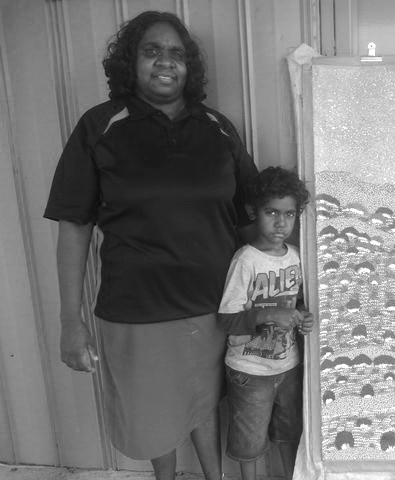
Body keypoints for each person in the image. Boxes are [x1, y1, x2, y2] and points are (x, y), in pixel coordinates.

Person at [43, 11, 258, 480]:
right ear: (131, 62)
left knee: (204, 403)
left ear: (190, 67)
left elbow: (249, 221)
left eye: (177, 53)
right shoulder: (100, 127)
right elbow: (73, 226)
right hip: (137, 308)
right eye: (152, 51)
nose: (166, 62)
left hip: (214, 306)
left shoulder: (218, 128)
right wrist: (69, 321)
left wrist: (263, 300)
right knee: (153, 418)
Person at [217, 166, 314, 480]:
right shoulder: (245, 260)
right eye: (271, 212)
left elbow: (294, 303)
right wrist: (270, 315)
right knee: (249, 441)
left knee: (289, 433)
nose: (281, 222)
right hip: (250, 371)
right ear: (252, 211)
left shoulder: (297, 257)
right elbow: (227, 320)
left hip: (288, 366)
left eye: (289, 214)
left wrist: (302, 315)